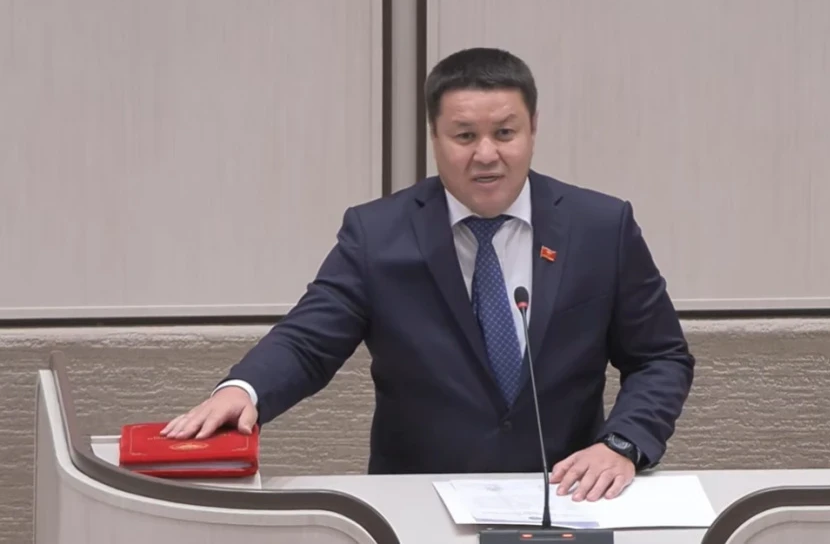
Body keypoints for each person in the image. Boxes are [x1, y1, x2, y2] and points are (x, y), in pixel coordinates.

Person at [162, 47, 695, 502]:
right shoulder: (378, 234)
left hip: (564, 499)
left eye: (504, 133)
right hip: (419, 503)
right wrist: (245, 390)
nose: (486, 154)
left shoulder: (600, 227)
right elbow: (307, 342)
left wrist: (622, 444)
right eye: (464, 135)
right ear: (434, 137)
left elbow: (660, 357)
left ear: (533, 128)